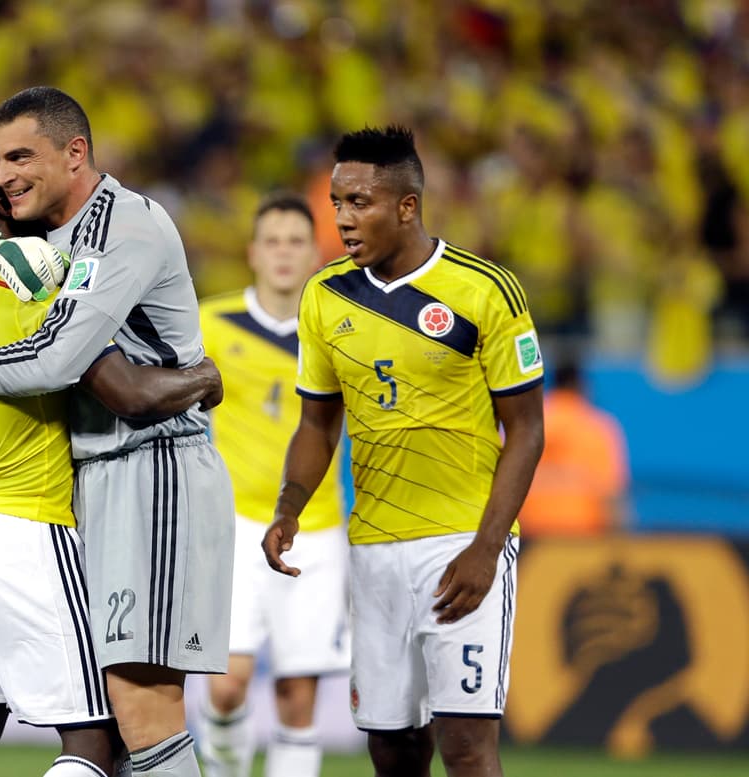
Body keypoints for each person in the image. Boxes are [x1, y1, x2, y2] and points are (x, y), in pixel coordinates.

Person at [0, 86, 235, 777]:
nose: (4, 175)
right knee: (112, 721)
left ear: (75, 153)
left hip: (151, 467)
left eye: (20, 156)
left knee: (138, 705)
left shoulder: (125, 227)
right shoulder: (35, 242)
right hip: (87, 478)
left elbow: (63, 362)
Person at [263, 126, 545, 777]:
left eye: (359, 202)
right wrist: (290, 506)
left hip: (460, 540)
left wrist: (485, 546)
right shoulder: (324, 295)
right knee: (392, 745)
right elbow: (316, 422)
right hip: (374, 549)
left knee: (467, 745)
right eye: (337, 203)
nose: (342, 219)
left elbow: (526, 430)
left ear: (406, 206)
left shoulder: (484, 291)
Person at [196, 192, 348, 777]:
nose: (284, 253)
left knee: (297, 698)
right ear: (253, 253)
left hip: (316, 530)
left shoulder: (338, 329)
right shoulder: (211, 322)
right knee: (228, 686)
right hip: (232, 529)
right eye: (273, 241)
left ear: (315, 254)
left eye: (295, 242)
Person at [518, 358, 630, 537]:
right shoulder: (597, 426)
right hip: (581, 540)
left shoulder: (527, 423)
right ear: (581, 386)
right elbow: (612, 495)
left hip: (528, 539)